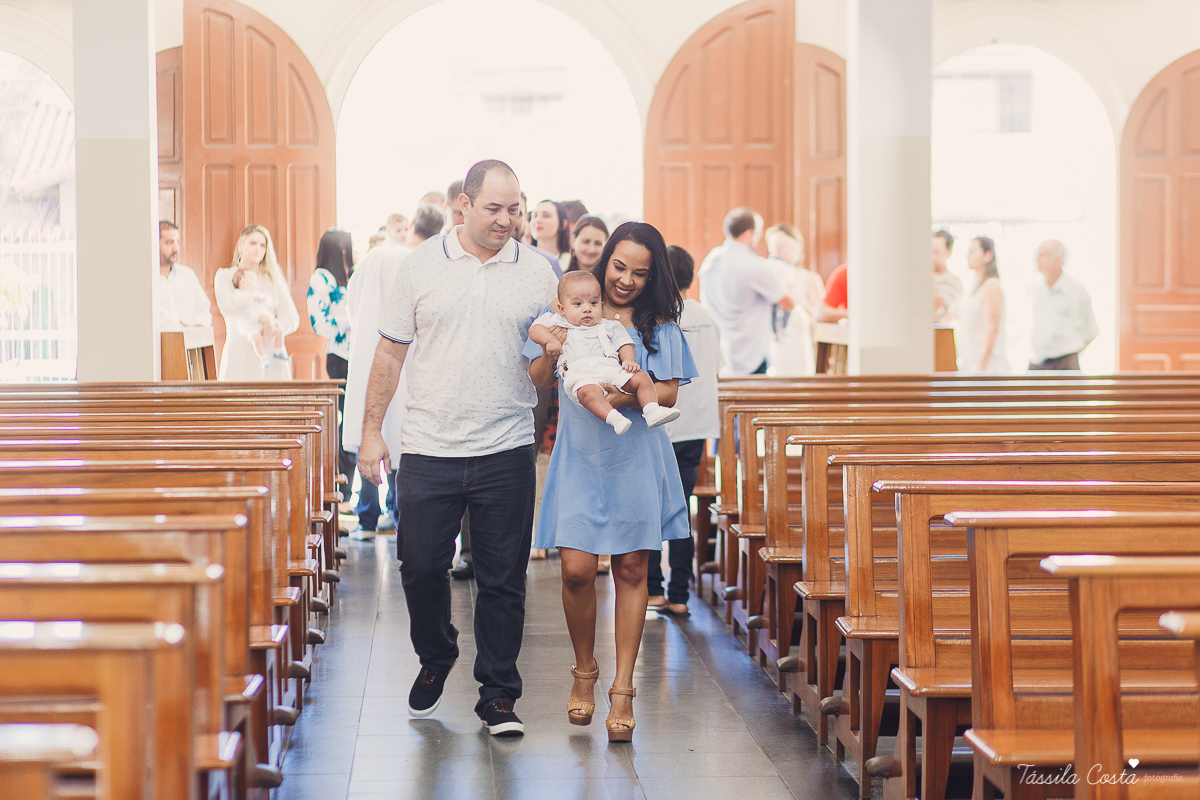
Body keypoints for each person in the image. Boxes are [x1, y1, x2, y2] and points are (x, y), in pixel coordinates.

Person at [358, 160, 558, 736]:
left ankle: (497, 693)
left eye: (515, 208)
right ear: (463, 207)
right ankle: (437, 652)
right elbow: (391, 353)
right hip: (429, 444)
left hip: (506, 444)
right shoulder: (421, 266)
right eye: (494, 208)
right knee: (420, 566)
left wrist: (554, 357)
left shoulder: (538, 273)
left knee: (503, 578)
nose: (507, 219)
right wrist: (372, 432)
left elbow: (540, 370)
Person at [527, 221, 697, 743]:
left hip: (636, 454)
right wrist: (557, 354)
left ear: (654, 277)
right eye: (619, 267)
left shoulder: (657, 327)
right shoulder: (574, 311)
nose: (625, 281)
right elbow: (536, 378)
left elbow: (666, 393)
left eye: (639, 273)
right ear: (604, 263)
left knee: (630, 564)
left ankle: (623, 686)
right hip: (580, 455)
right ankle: (585, 669)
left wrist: (610, 396)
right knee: (576, 569)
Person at [344, 204, 445, 539]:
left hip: (368, 350)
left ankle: (367, 517)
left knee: (370, 426)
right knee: (403, 430)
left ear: (413, 224)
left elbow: (351, 303)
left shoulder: (375, 256)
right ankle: (403, 518)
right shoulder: (418, 261)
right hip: (409, 354)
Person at [652, 244, 721, 616]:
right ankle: (679, 593)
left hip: (663, 423)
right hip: (697, 425)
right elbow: (717, 365)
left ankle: (652, 589)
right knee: (682, 507)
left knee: (651, 505)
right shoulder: (705, 315)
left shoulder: (660, 316)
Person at [528, 271, 680, 434]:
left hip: (611, 370)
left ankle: (651, 410)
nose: (587, 309)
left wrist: (629, 360)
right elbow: (535, 329)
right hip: (581, 375)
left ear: (601, 303)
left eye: (593, 303)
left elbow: (624, 343)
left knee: (642, 377)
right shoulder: (558, 320)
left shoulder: (608, 325)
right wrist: (549, 341)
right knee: (589, 394)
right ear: (562, 308)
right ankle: (615, 418)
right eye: (577, 304)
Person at [698, 207, 793, 375]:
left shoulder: (711, 261)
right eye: (758, 234)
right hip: (751, 353)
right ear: (748, 234)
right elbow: (788, 303)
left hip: (720, 349)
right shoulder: (754, 266)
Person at [214, 224, 299, 381]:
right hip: (239, 352)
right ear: (241, 245)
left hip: (270, 354)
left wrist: (275, 327)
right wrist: (262, 318)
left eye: (262, 245)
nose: (257, 249)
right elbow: (228, 308)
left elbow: (292, 318)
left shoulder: (273, 279)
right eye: (252, 243)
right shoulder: (224, 276)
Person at [307, 229, 356, 483]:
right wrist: (352, 318)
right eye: (348, 246)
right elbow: (320, 323)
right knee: (346, 421)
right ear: (339, 249)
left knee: (358, 417)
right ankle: (342, 485)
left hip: (359, 354)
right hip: (340, 357)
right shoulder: (322, 278)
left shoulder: (353, 274)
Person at [1028, 239, 1098, 371]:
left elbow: (1091, 331)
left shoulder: (1076, 290)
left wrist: (1070, 351)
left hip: (1065, 363)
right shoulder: (1035, 289)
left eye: (1042, 255)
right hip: (1037, 362)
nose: (1037, 260)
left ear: (1058, 260)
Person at [765, 223, 824, 376]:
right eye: (774, 246)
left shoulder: (809, 278)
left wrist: (796, 300)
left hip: (799, 344)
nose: (779, 251)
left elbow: (817, 315)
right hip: (773, 347)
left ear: (797, 247)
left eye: (784, 246)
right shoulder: (766, 277)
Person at [958, 236, 1009, 372]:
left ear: (987, 255)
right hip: (970, 362)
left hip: (986, 366)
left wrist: (980, 367)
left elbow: (992, 329)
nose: (968, 256)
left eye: (973, 251)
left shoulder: (991, 288)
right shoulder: (975, 288)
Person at [154, 221, 213, 333]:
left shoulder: (187, 275)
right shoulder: (148, 280)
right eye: (169, 243)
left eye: (177, 242)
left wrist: (196, 328)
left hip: (186, 345)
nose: (175, 249)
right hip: (156, 347)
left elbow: (204, 309)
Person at [231, 268, 287, 368]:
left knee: (279, 329)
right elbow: (239, 304)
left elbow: (270, 302)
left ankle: (278, 350)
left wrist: (264, 299)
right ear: (243, 282)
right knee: (256, 340)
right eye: (253, 280)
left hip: (267, 322)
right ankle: (263, 357)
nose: (256, 283)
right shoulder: (239, 294)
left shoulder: (257, 294)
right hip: (252, 325)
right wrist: (252, 298)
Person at [530, 200, 572, 273]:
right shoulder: (524, 258)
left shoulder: (571, 262)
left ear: (563, 223)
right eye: (535, 216)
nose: (538, 220)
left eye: (546, 216)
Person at [932, 230, 962, 323]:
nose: (932, 256)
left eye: (937, 252)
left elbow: (936, 306)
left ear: (948, 252)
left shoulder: (953, 282)